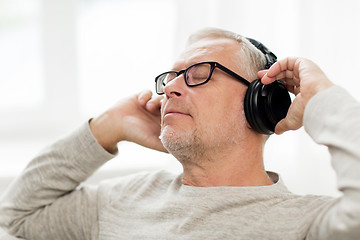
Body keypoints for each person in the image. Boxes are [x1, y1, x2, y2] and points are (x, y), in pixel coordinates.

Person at [0, 27, 359, 240]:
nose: (170, 88)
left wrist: (321, 97)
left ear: (260, 102)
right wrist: (107, 126)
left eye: (199, 72)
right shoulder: (123, 199)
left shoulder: (307, 223)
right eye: (170, 77)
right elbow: (17, 214)